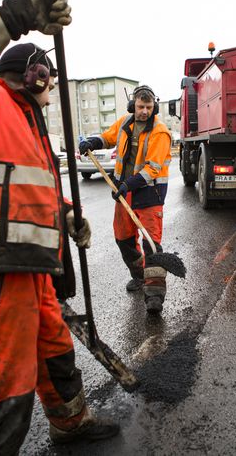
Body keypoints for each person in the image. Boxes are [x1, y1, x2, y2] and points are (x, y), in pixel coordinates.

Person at [0, 0, 119, 453]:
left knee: (55, 350)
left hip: (31, 266)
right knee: (6, 381)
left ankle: (70, 423)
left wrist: (67, 216)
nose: (52, 91)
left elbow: (29, 193)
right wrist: (22, 14)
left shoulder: (28, 124)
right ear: (35, 76)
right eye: (49, 81)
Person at [79, 85, 172, 314]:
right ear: (133, 105)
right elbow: (108, 137)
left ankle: (154, 295)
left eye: (149, 107)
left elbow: (152, 169)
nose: (144, 112)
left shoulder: (160, 132)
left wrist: (127, 185)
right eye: (140, 107)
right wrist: (92, 142)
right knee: (124, 239)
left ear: (154, 107)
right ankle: (140, 276)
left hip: (149, 194)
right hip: (124, 193)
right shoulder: (125, 122)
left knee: (152, 245)